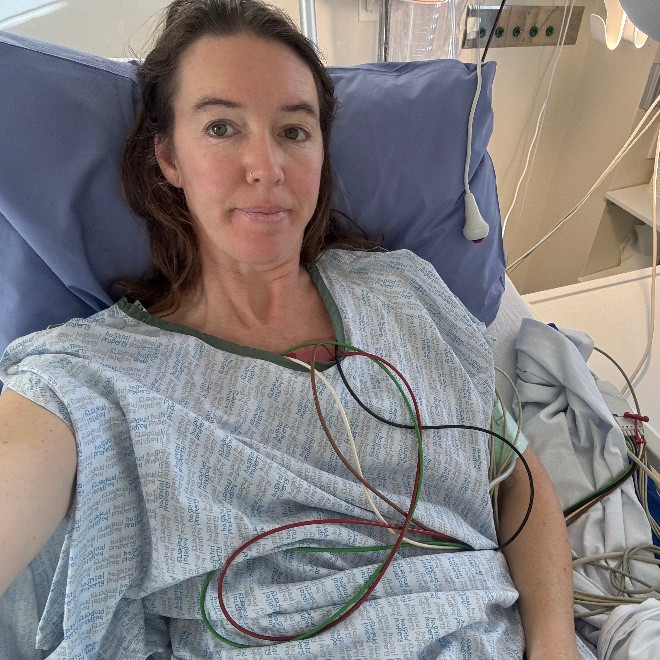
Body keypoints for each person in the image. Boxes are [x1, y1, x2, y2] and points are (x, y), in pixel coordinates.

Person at [0, 1, 584, 658]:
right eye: (221, 127)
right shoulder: (87, 381)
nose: (267, 166)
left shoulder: (403, 291)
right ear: (168, 158)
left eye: (294, 131)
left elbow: (516, 473)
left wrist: (555, 643)